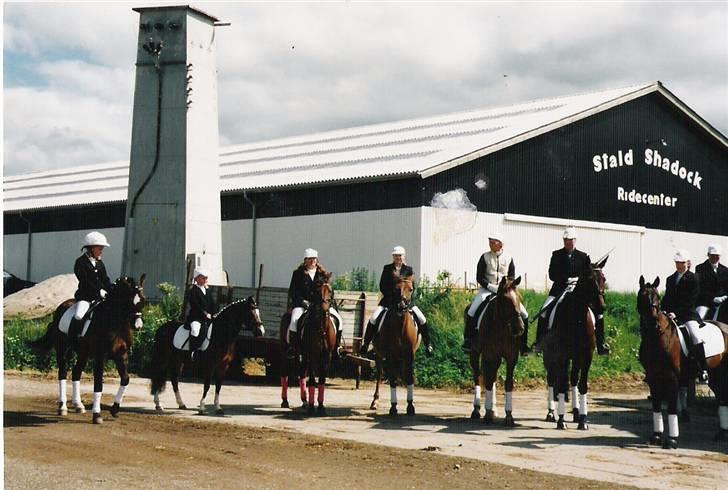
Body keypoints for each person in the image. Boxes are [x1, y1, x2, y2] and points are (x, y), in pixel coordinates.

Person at [532, 227, 609, 355]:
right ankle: (540, 342)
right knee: (544, 311)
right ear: (563, 241)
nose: (568, 243)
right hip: (560, 289)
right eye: (566, 240)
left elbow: (587, 274)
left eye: (570, 240)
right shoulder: (556, 255)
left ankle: (601, 343)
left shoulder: (583, 256)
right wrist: (565, 279)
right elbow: (552, 274)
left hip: (579, 290)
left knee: (598, 313)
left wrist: (578, 280)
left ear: (575, 240)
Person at [462, 232, 530, 354]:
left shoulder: (509, 258)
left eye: (493, 242)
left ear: (500, 244)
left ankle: (523, 344)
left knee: (524, 314)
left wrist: (506, 287)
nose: (491, 244)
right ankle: (468, 340)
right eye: (490, 241)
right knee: (472, 310)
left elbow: (511, 276)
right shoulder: (485, 257)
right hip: (487, 289)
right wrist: (490, 286)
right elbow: (479, 277)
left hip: (505, 291)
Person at [360, 246, 432, 357]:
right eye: (396, 256)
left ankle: (428, 345)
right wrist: (392, 297)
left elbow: (413, 287)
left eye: (400, 255)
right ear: (393, 257)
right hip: (389, 301)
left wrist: (407, 299)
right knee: (374, 317)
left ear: (404, 256)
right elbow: (382, 286)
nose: (398, 258)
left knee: (422, 318)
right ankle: (366, 344)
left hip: (407, 302)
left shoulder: (409, 270)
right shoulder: (387, 268)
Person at [286, 248, 344, 358]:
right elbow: (293, 291)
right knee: (294, 320)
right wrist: (303, 302)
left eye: (314, 259)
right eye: (310, 259)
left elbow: (330, 291)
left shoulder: (323, 274)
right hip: (302, 305)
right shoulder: (298, 274)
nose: (312, 261)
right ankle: (293, 347)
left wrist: (327, 301)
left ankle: (338, 346)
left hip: (321, 305)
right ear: (305, 260)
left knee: (339, 320)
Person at [662, 249, 708, 381]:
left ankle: (702, 369)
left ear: (687, 263)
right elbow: (667, 297)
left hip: (688, 314)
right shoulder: (670, 279)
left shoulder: (693, 278)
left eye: (681, 263)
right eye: (677, 263)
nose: (679, 265)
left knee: (695, 336)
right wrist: (664, 310)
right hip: (671, 314)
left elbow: (691, 300)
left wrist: (675, 313)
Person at [70, 231, 112, 338]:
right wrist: (98, 290)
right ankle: (73, 340)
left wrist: (111, 289)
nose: (102, 251)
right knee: (79, 315)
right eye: (100, 248)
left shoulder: (99, 263)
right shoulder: (80, 263)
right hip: (86, 297)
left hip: (100, 297)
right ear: (92, 248)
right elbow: (85, 281)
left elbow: (105, 279)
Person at [185, 267, 216, 360]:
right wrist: (205, 313)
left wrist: (214, 313)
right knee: (195, 331)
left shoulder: (208, 291)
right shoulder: (192, 291)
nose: (205, 280)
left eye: (206, 278)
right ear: (197, 279)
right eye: (203, 278)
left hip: (208, 318)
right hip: (196, 317)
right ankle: (192, 351)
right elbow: (195, 305)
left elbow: (212, 304)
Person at [695, 244, 728, 321]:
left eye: (717, 255)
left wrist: (725, 296)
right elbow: (700, 288)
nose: (715, 257)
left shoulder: (725, 270)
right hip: (705, 303)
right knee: (700, 319)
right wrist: (713, 298)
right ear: (708, 255)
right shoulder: (700, 268)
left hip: (722, 303)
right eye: (713, 255)